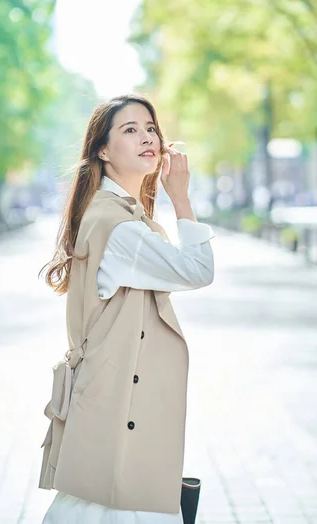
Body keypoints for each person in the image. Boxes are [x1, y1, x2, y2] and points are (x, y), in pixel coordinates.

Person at [39, 93, 215, 524]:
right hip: (119, 407)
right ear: (103, 150)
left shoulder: (115, 215)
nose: (146, 137)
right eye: (129, 130)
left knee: (94, 504)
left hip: (114, 402)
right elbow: (198, 270)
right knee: (112, 504)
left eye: (151, 128)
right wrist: (182, 198)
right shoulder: (120, 227)